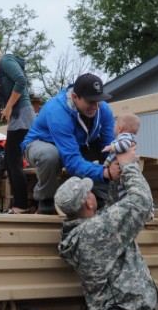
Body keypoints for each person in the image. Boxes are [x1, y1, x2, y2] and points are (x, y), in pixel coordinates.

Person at [55, 145, 158, 310]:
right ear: (88, 201)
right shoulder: (95, 232)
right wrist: (129, 165)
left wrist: (114, 180)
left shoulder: (81, 234)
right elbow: (140, 201)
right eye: (91, 192)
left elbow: (111, 214)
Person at [21, 73, 117, 215]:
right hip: (41, 143)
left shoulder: (103, 110)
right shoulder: (58, 112)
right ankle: (46, 201)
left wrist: (113, 164)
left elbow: (109, 147)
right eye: (91, 101)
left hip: (75, 143)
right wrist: (105, 173)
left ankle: (102, 199)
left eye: (98, 101)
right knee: (49, 155)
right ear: (74, 97)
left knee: (110, 154)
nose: (96, 106)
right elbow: (72, 162)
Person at [0, 42, 35, 214]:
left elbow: (21, 81)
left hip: (23, 114)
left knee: (12, 160)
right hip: (17, 116)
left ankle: (20, 206)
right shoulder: (1, 74)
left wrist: (9, 107)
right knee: (11, 161)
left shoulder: (5, 61)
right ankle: (19, 205)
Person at [102, 113, 140, 201]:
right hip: (122, 170)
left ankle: (127, 201)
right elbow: (113, 155)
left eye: (115, 125)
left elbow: (124, 145)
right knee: (121, 189)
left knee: (125, 188)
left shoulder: (125, 137)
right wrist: (107, 163)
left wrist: (111, 147)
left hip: (127, 168)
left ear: (119, 128)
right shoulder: (119, 139)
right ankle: (124, 201)